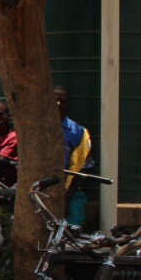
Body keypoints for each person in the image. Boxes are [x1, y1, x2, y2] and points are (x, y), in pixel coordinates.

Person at [56, 86, 94, 226]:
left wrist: (66, 198)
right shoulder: (36, 128)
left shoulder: (77, 132)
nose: (58, 104)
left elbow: (82, 169)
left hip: (69, 191)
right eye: (54, 100)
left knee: (73, 226)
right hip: (40, 188)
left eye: (62, 101)